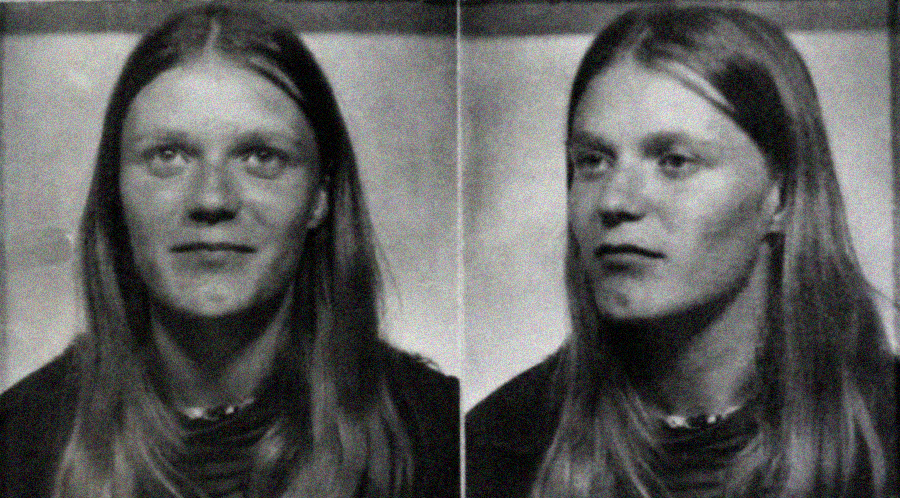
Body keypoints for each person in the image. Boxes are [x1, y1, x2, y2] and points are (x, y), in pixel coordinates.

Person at [0, 5, 458, 497]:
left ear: (320, 197)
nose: (211, 199)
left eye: (261, 157)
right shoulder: (18, 444)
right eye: (168, 156)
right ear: (116, 192)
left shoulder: (441, 437)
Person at [466, 5, 896, 498]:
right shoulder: (497, 447)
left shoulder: (885, 435)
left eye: (674, 161)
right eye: (592, 161)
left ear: (781, 195)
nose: (614, 202)